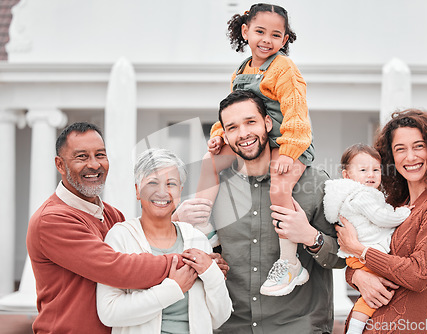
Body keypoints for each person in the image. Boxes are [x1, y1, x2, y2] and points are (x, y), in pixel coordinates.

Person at [176, 90, 345, 333]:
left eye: (250, 122)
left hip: (297, 327)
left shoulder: (313, 183)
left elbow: (345, 257)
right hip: (231, 326)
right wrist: (177, 222)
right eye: (232, 127)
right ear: (224, 135)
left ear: (267, 123)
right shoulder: (213, 189)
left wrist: (310, 237)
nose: (243, 133)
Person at [26, 122, 207, 334]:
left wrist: (177, 227)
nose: (94, 164)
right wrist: (195, 261)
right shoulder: (52, 220)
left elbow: (141, 252)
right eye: (82, 156)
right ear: (59, 164)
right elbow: (118, 268)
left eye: (100, 155)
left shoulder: (112, 215)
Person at [195, 2, 314, 297]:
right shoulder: (240, 71)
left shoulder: (284, 68)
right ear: (246, 32)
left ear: (284, 40)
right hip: (256, 140)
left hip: (288, 142)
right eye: (260, 31)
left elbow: (296, 112)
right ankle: (202, 229)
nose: (266, 40)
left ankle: (289, 262)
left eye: (276, 35)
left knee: (278, 188)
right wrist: (219, 135)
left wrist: (288, 151)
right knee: (208, 162)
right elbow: (235, 111)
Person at [335, 109, 427, 334]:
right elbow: (358, 262)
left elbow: (418, 275)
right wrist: (357, 275)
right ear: (391, 157)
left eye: (419, 146)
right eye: (400, 149)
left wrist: (359, 250)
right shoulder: (394, 206)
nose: (410, 157)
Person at [96, 148, 232, 333]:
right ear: (137, 190)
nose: (162, 192)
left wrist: (211, 274)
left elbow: (220, 317)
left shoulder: (197, 239)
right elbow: (109, 312)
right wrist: (173, 288)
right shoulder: (121, 237)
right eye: (152, 182)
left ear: (180, 191)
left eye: (171, 183)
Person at [323, 143, 412, 334]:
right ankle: (355, 329)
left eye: (375, 170)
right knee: (374, 295)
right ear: (347, 175)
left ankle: (354, 328)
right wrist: (403, 214)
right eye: (363, 170)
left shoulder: (355, 195)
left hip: (359, 254)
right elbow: (381, 217)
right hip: (367, 253)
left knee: (369, 297)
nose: (370, 175)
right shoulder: (362, 196)